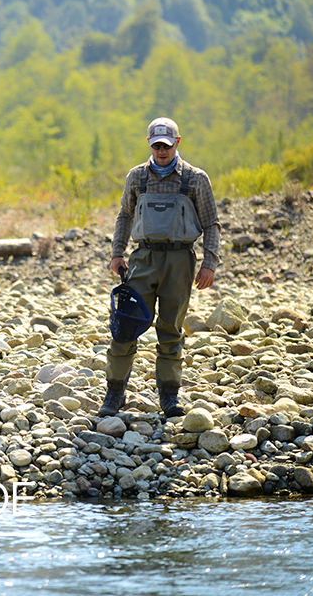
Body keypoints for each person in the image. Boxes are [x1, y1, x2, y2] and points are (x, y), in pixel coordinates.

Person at [103, 117, 220, 418]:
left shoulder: (195, 179)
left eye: (166, 145)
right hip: (144, 258)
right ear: (149, 144)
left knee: (170, 329)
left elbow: (211, 224)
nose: (161, 151)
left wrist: (209, 264)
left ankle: (169, 397)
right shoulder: (137, 177)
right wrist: (117, 253)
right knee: (125, 327)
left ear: (177, 143)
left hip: (181, 262)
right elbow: (124, 217)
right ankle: (114, 393)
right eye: (156, 145)